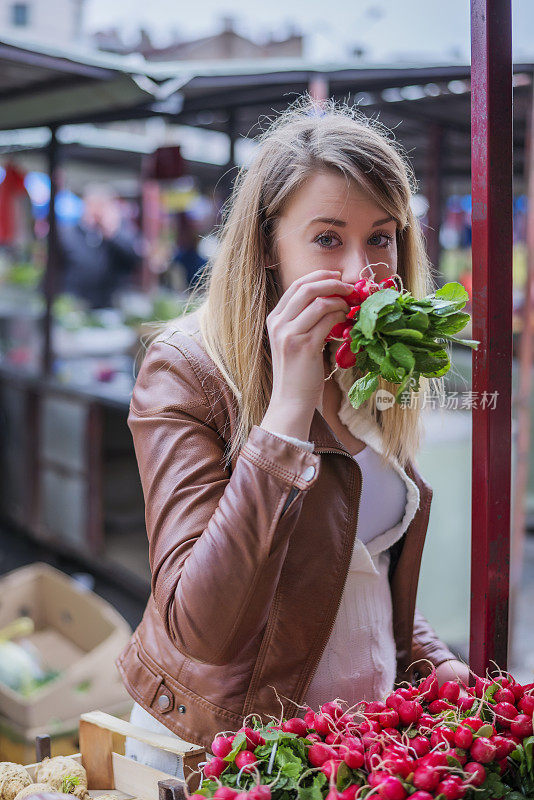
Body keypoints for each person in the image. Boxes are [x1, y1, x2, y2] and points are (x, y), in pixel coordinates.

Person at [117, 98, 469, 778]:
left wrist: (431, 656)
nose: (363, 270)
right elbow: (202, 629)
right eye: (328, 238)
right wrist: (287, 413)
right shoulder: (188, 369)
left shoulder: (375, 364)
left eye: (383, 237)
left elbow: (360, 560)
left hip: (345, 748)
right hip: (223, 753)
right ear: (270, 247)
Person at [58, 184, 140, 308]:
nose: (97, 211)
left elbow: (134, 259)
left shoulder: (120, 232)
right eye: (93, 205)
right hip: (75, 304)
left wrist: (112, 233)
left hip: (109, 306)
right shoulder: (68, 233)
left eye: (102, 205)